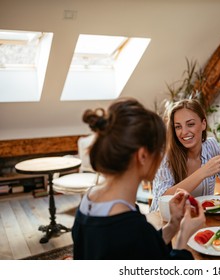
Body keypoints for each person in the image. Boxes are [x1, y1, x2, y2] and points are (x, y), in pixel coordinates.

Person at [72, 98, 205, 259]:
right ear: (142, 155)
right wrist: (184, 234)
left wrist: (173, 225)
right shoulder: (131, 227)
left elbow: (143, 250)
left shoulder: (89, 201)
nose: (161, 156)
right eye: (159, 149)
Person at [150, 99, 220, 211]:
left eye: (190, 124)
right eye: (178, 127)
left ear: (203, 124)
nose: (184, 132)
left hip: (201, 220)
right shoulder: (165, 156)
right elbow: (162, 202)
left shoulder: (211, 146)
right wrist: (203, 172)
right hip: (168, 223)